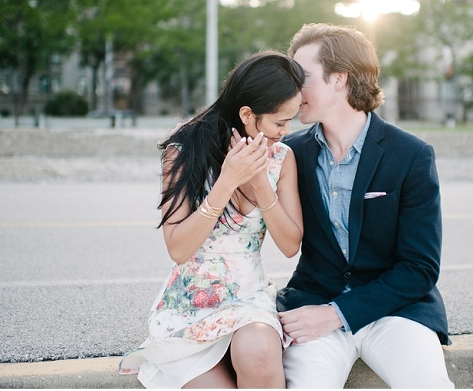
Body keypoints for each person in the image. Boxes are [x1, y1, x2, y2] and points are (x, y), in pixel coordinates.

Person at [277, 23, 454, 388]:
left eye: (303, 77)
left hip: (397, 312)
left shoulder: (411, 155)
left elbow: (420, 267)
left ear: (339, 79)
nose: (292, 90)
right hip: (312, 306)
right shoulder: (290, 153)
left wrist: (337, 314)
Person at [120, 50, 305, 389]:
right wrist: (227, 181)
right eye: (280, 122)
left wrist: (261, 186)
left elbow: (291, 245)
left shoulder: (281, 157)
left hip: (249, 297)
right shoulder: (185, 149)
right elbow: (178, 248)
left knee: (261, 353)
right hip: (191, 303)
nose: (286, 131)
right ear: (248, 115)